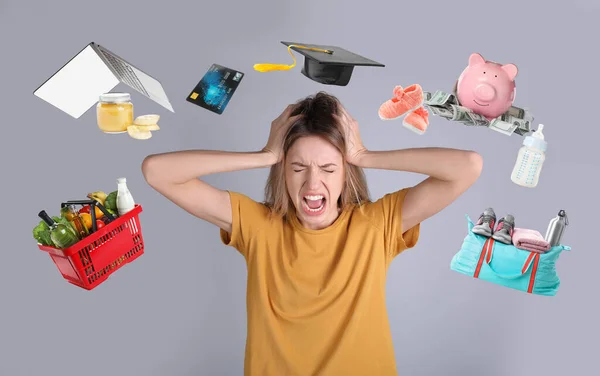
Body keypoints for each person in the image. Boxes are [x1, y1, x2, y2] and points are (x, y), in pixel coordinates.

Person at [141, 92, 483, 376]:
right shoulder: (259, 226)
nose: (312, 184)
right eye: (298, 167)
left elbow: (467, 166)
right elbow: (158, 171)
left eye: (329, 168)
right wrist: (265, 155)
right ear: (283, 173)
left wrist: (364, 155)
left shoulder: (376, 224)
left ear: (346, 174)